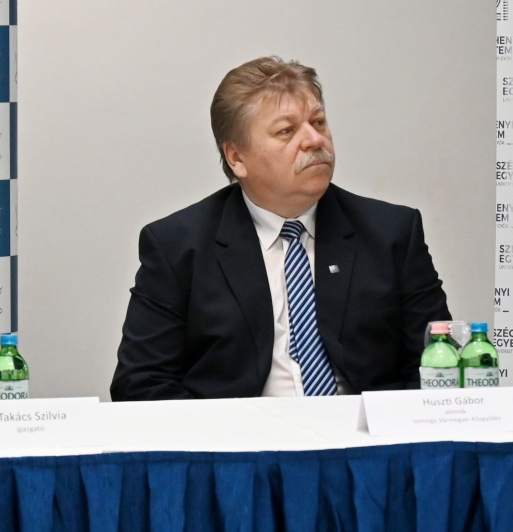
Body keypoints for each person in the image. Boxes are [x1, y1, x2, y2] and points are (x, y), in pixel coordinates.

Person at [111, 56, 449, 400]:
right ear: (236, 158)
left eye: (319, 122)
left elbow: (438, 368)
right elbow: (142, 383)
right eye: (286, 131)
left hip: (362, 430)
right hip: (240, 432)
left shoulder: (391, 233)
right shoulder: (178, 246)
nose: (314, 139)